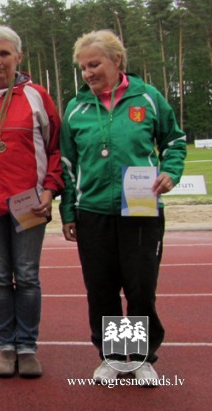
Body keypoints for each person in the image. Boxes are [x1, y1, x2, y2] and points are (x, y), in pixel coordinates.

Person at [60, 29, 187, 385]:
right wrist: (68, 212)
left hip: (141, 210)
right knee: (102, 289)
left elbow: (174, 141)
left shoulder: (147, 98)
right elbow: (67, 166)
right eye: (83, 67)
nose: (88, 73)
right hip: (93, 212)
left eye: (94, 64)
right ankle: (115, 357)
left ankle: (141, 359)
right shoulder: (76, 108)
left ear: (117, 60)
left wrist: (170, 172)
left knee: (139, 287)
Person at [0, 26, 63, 378]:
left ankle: (27, 347)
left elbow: (55, 149)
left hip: (28, 205)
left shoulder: (36, 96)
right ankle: (6, 346)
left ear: (19, 57)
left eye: (4, 53)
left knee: (28, 276)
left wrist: (49, 190)